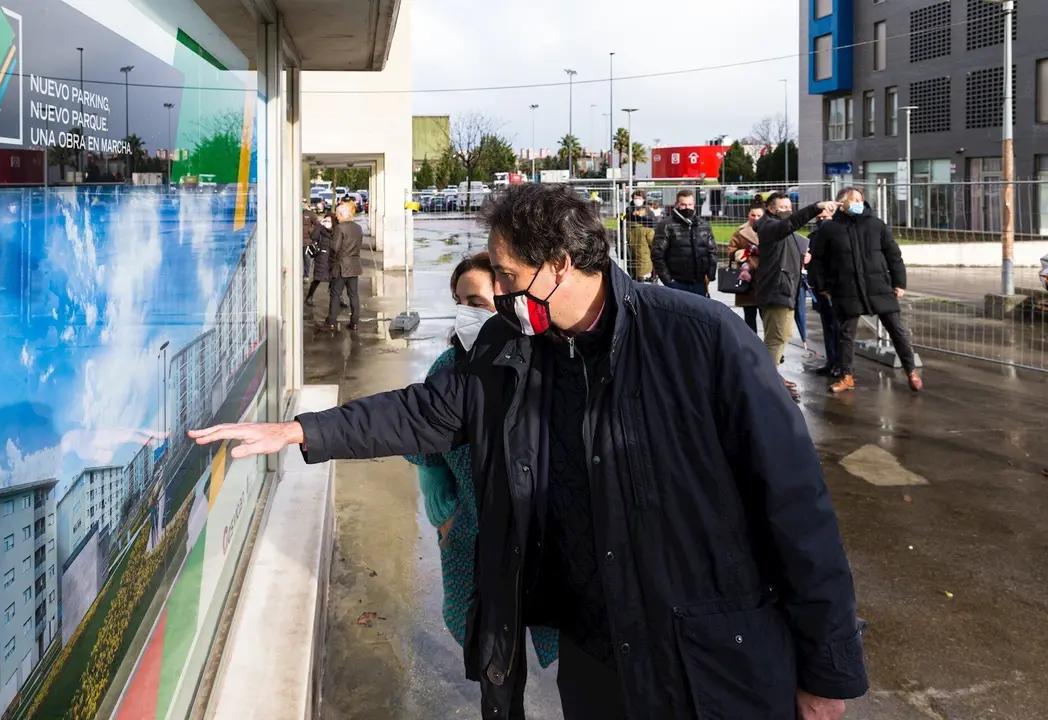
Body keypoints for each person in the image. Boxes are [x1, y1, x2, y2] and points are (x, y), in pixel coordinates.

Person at [191, 183, 868, 720]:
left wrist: (827, 671)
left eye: (510, 277)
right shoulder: (510, 352)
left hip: (710, 660)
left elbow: (796, 508)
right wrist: (299, 431)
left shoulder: (700, 341)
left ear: (560, 265)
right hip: (596, 657)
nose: (502, 296)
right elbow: (424, 411)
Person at [403, 253, 559, 699]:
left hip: (540, 537)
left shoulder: (546, 364)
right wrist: (444, 512)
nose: (466, 312)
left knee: (564, 640)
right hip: (474, 535)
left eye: (477, 300)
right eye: (459, 301)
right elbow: (423, 445)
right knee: (494, 656)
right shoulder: (448, 370)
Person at [811, 187, 923, 393]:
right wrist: (823, 287)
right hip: (846, 288)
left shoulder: (875, 225)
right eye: (852, 199)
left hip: (878, 286)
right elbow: (818, 260)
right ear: (840, 203)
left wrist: (899, 283)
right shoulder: (829, 229)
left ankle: (911, 371)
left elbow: (893, 255)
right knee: (846, 334)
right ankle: (846, 376)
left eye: (860, 199)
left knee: (897, 331)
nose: (857, 203)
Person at [754, 193, 837, 400]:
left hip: (786, 289)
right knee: (776, 338)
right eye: (782, 207)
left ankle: (772, 378)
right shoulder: (771, 227)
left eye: (789, 206)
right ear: (771, 209)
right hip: (777, 291)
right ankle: (767, 383)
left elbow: (784, 252)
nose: (787, 210)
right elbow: (791, 223)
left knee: (783, 335)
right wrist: (816, 207)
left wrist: (802, 256)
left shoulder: (780, 230)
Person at [651, 189, 716, 297]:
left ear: (694, 204)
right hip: (677, 282)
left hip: (700, 282)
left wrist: (710, 274)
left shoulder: (703, 225)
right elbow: (657, 254)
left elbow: (712, 251)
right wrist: (668, 281)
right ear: (677, 204)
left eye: (690, 204)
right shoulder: (666, 225)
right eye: (683, 205)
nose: (687, 208)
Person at [806, 206, 841, 378]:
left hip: (832, 289)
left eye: (825, 217)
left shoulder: (836, 236)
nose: (821, 220)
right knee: (827, 326)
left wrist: (828, 287)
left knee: (837, 327)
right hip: (818, 288)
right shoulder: (813, 237)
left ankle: (840, 364)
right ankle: (831, 361)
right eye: (819, 217)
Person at [317, 203, 362, 331]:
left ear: (342, 215)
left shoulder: (340, 228)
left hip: (341, 266)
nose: (336, 218)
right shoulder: (358, 228)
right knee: (353, 294)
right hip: (354, 264)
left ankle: (331, 321)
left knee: (335, 293)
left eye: (337, 215)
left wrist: (330, 261)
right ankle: (354, 322)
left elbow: (335, 248)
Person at [729, 202, 764, 332]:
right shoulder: (740, 232)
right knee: (749, 317)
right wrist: (741, 254)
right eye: (753, 215)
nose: (755, 218)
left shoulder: (771, 230)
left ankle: (771, 348)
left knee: (768, 317)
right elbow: (731, 250)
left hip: (765, 278)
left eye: (759, 215)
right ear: (748, 215)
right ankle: (752, 347)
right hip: (747, 279)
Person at [623, 189, 657, 281]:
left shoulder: (648, 211)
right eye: (635, 198)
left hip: (644, 240)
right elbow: (624, 220)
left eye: (639, 198)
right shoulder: (629, 209)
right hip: (632, 239)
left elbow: (653, 222)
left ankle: (650, 276)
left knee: (645, 260)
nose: (637, 199)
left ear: (644, 199)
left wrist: (642, 216)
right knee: (632, 262)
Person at [305, 211, 335, 306]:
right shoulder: (320, 229)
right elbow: (313, 236)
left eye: (329, 221)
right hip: (321, 257)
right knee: (318, 278)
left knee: (335, 279)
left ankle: (338, 298)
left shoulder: (336, 230)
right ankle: (309, 296)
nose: (327, 223)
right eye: (325, 220)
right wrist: (319, 225)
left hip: (333, 257)